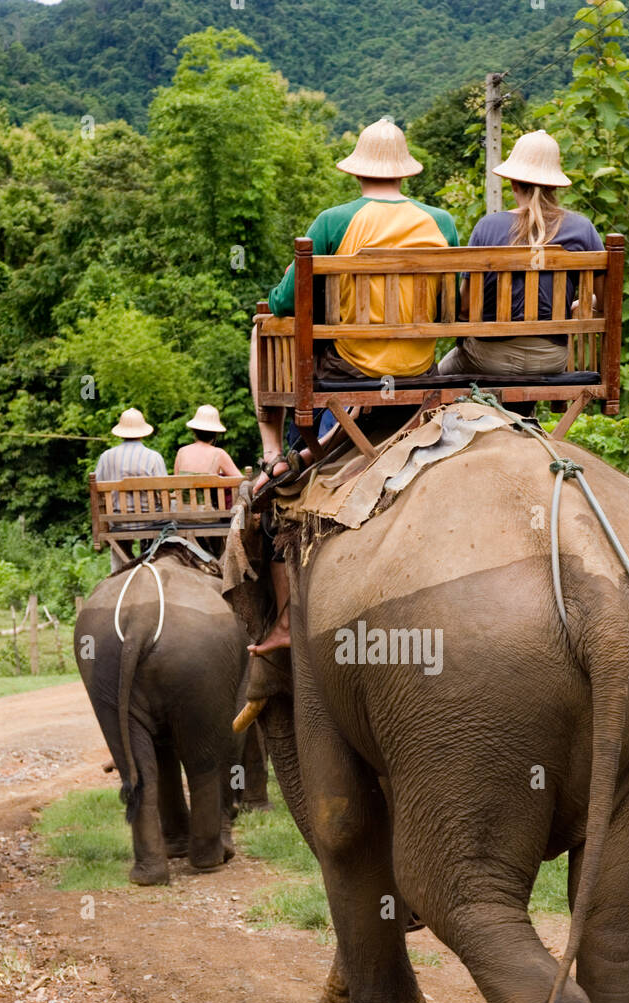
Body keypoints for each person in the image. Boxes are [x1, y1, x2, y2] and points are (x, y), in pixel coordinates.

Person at [247, 119, 459, 659]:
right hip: (420, 370)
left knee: (259, 327)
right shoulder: (441, 221)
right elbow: (451, 303)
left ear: (359, 170)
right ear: (404, 170)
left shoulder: (332, 222)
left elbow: (285, 303)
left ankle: (273, 454)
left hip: (352, 368)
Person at [438, 130, 604, 380]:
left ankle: (478, 419)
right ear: (555, 185)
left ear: (513, 183)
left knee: (440, 373)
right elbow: (605, 302)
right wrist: (582, 304)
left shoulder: (488, 226)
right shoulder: (582, 228)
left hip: (488, 357)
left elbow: (465, 307)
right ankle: (521, 420)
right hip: (552, 358)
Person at [94, 408, 167, 572]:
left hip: (117, 521)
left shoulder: (106, 456)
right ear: (142, 432)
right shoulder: (153, 457)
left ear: (121, 433)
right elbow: (163, 492)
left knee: (119, 548)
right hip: (150, 521)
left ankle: (118, 572)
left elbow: (97, 491)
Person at [174, 404, 242, 480]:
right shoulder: (219, 454)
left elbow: (176, 482)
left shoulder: (182, 452)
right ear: (215, 433)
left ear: (194, 431)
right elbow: (241, 480)